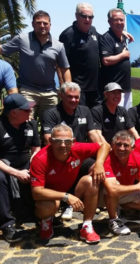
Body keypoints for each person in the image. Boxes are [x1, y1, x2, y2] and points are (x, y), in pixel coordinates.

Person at [30, 124, 110, 243]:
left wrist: (99, 163)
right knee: (47, 206)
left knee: (91, 180)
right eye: (58, 141)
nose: (63, 145)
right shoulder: (40, 159)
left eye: (67, 141)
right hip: (52, 196)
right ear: (50, 141)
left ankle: (87, 226)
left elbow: (105, 145)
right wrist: (66, 197)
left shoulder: (77, 148)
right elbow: (36, 192)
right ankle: (46, 221)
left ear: (73, 141)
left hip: (74, 189)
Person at [0, 10, 71, 121]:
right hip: (27, 90)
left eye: (45, 23)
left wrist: (68, 89)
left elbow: (65, 68)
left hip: (50, 93)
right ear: (33, 24)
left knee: (51, 126)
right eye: (38, 23)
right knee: (26, 124)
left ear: (50, 25)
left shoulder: (59, 46)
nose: (42, 26)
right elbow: (2, 49)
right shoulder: (22, 39)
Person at [0, 94, 40, 243]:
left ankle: (40, 213)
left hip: (26, 162)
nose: (30, 112)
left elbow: (36, 148)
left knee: (42, 169)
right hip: (4, 165)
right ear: (13, 113)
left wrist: (34, 163)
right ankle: (7, 225)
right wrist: (16, 173)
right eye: (26, 110)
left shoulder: (31, 124)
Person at [103, 131, 140, 235]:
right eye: (118, 144)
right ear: (113, 145)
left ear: (132, 148)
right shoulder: (107, 158)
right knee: (113, 188)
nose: (121, 148)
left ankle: (119, 208)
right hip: (103, 196)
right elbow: (112, 189)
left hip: (123, 192)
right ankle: (113, 220)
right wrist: (138, 187)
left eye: (126, 145)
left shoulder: (138, 157)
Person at [59, 2, 101, 108]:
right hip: (77, 90)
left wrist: (120, 32)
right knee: (79, 122)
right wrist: (64, 88)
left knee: (96, 121)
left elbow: (106, 39)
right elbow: (59, 64)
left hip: (95, 90)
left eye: (90, 17)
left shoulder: (93, 30)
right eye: (84, 16)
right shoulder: (67, 35)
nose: (87, 20)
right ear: (77, 16)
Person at [100, 8, 131, 109]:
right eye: (116, 20)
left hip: (126, 88)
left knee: (125, 118)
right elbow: (106, 60)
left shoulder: (123, 37)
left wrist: (123, 33)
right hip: (113, 90)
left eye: (121, 20)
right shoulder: (107, 38)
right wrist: (123, 55)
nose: (119, 22)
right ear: (109, 22)